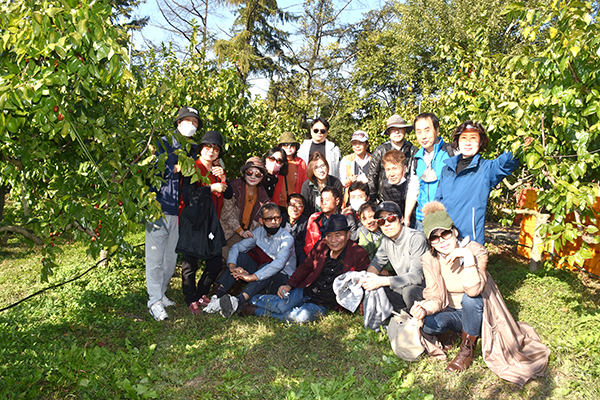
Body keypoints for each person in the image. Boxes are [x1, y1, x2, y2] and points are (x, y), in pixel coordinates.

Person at [410, 201, 549, 385]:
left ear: (455, 232)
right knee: (429, 324)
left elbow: (474, 289)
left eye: (445, 233)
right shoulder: (429, 259)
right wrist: (424, 309)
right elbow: (435, 295)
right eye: (434, 238)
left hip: (480, 312)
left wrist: (467, 257)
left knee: (470, 299)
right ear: (430, 242)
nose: (441, 241)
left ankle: (467, 348)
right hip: (452, 310)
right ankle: (457, 332)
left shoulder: (476, 251)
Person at [239, 214, 370, 323]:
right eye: (329, 235)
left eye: (338, 235)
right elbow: (306, 267)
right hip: (307, 290)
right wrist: (289, 285)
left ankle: (254, 310)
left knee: (301, 317)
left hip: (324, 303)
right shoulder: (322, 245)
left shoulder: (359, 254)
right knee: (279, 306)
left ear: (348, 235)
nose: (333, 240)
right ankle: (253, 299)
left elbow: (363, 283)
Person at [145, 106, 201, 321]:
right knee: (155, 258)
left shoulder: (193, 148)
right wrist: (174, 169)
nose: (191, 125)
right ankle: (154, 301)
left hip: (180, 211)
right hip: (160, 207)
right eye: (187, 121)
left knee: (170, 258)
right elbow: (150, 172)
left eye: (195, 122)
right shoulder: (162, 144)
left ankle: (161, 293)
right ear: (178, 123)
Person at [434, 121, 520, 244]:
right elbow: (438, 200)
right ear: (457, 141)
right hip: (445, 237)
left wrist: (521, 145)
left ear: (480, 142)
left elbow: (506, 163)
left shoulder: (486, 169)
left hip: (470, 239)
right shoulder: (447, 169)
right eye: (463, 138)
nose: (468, 142)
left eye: (473, 138)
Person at [212, 203, 296, 317]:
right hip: (260, 273)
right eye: (269, 219)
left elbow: (278, 264)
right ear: (261, 221)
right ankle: (217, 297)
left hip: (280, 278)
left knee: (267, 266)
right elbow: (237, 247)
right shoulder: (259, 232)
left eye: (276, 218)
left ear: (281, 220)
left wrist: (253, 277)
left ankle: (237, 302)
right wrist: (233, 267)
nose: (273, 222)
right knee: (241, 256)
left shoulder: (287, 238)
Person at [178, 130, 230, 314]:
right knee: (190, 264)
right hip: (194, 221)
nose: (211, 151)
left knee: (215, 263)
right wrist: (210, 188)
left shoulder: (217, 170)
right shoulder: (191, 167)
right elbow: (188, 195)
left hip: (212, 222)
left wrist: (223, 179)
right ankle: (190, 298)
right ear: (201, 149)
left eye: (216, 148)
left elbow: (228, 193)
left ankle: (201, 293)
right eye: (208, 146)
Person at [360, 201, 428, 312]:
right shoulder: (386, 239)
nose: (386, 224)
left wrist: (381, 281)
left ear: (401, 219)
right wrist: (368, 281)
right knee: (378, 289)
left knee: (408, 292)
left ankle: (414, 319)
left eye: (391, 218)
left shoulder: (416, 238)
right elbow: (376, 263)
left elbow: (416, 277)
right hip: (403, 285)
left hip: (423, 288)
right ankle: (402, 314)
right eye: (381, 221)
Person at [403, 113, 452, 232]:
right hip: (422, 219)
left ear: (437, 130)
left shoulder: (450, 154)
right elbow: (414, 189)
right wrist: (407, 216)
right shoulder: (416, 159)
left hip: (446, 217)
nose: (423, 136)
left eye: (427, 130)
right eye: (419, 132)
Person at [220, 157, 270, 262]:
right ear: (244, 173)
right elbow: (227, 213)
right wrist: (240, 231)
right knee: (221, 263)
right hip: (228, 232)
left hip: (247, 235)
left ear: (261, 178)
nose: (253, 177)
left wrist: (248, 232)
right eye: (249, 172)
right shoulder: (234, 186)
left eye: (257, 175)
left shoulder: (262, 194)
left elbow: (262, 218)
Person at [368, 114, 418, 197]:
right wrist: (372, 196)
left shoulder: (413, 151)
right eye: (393, 129)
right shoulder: (380, 150)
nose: (397, 132)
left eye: (400, 129)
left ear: (405, 131)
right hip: (384, 197)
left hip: (408, 196)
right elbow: (373, 175)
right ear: (388, 132)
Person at [379, 150, 418, 227]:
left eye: (395, 168)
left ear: (405, 169)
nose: (392, 174)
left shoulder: (412, 183)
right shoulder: (385, 185)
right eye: (388, 169)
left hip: (415, 219)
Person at [273, 132, 308, 211]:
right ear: (281, 147)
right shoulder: (275, 161)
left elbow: (304, 183)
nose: (289, 147)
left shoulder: (301, 163)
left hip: (294, 206)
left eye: (292, 145)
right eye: (285, 145)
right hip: (276, 204)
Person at [304, 186, 342, 256]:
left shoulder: (343, 220)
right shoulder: (314, 218)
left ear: (337, 201)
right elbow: (308, 244)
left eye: (327, 200)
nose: (323, 203)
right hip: (315, 258)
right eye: (321, 200)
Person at [282, 193, 309, 266]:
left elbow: (303, 246)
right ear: (287, 206)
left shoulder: (306, 223)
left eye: (299, 206)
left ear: (303, 208)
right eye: (292, 205)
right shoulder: (280, 219)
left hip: (297, 257)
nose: (295, 209)